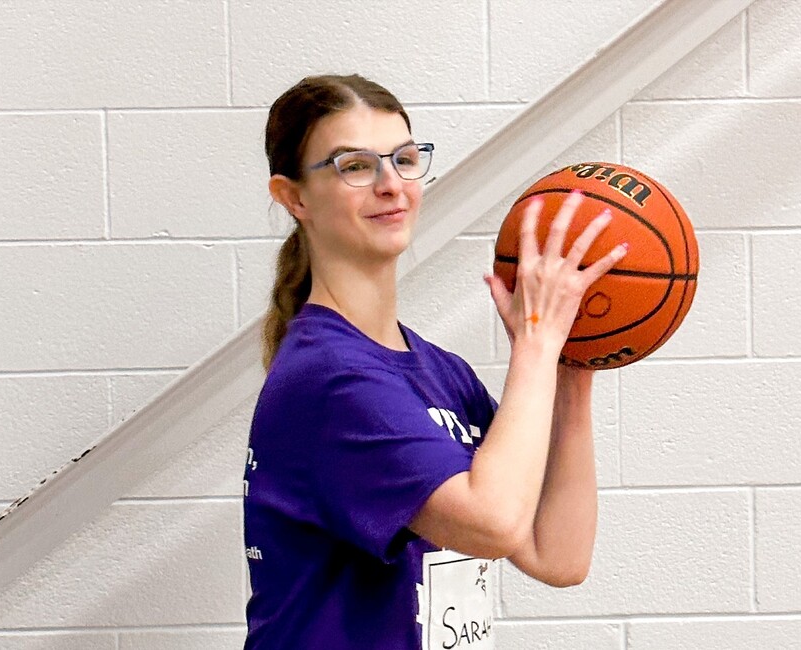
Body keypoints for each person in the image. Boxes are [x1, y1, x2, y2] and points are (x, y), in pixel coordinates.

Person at [242, 73, 628, 649]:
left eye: (402, 159)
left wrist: (570, 371)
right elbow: (494, 522)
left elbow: (559, 554)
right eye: (354, 165)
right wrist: (535, 345)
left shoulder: (439, 373)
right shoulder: (330, 381)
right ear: (294, 197)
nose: (390, 184)